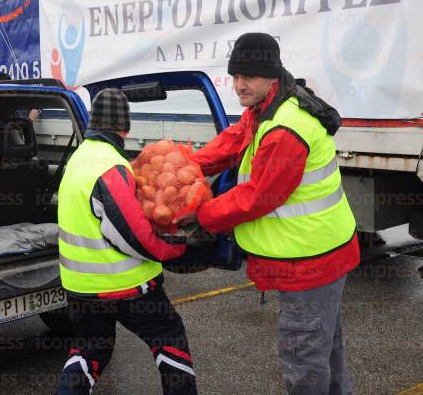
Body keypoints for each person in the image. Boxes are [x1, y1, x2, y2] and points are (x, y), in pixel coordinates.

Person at [182, 33, 360, 394]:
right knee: (326, 353)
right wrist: (183, 167)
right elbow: (234, 141)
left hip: (308, 264)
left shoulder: (285, 129)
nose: (239, 85)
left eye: (248, 76)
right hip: (320, 255)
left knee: (305, 363)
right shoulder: (268, 109)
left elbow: (258, 197)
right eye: (235, 76)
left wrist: (200, 214)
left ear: (272, 75)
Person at [56, 88, 197, 395]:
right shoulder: (110, 165)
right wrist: (179, 249)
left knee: (89, 351)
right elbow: (133, 236)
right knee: (168, 338)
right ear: (125, 127)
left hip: (80, 287)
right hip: (126, 286)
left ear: (94, 122)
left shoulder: (79, 158)